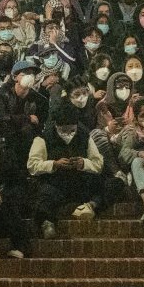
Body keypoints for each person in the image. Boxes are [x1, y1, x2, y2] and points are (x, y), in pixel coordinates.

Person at [26, 101, 105, 238]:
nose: (68, 134)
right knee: (44, 195)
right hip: (55, 183)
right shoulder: (43, 138)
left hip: (80, 182)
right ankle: (47, 222)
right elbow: (32, 165)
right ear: (56, 126)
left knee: (113, 183)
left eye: (72, 130)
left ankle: (92, 205)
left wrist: (83, 163)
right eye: (64, 130)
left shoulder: (84, 136)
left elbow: (98, 163)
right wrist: (54, 164)